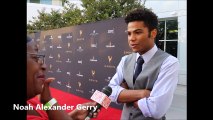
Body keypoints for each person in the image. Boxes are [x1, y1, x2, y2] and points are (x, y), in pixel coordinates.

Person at [108, 8, 179, 120]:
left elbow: (156, 109)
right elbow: (110, 92)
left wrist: (125, 94)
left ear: (153, 33)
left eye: (138, 32)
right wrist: (143, 93)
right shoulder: (125, 60)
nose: (132, 38)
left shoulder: (169, 63)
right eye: (129, 33)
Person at [27, 36, 99, 120]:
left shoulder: (30, 102)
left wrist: (73, 116)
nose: (44, 66)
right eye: (35, 58)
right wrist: (48, 101)